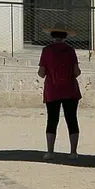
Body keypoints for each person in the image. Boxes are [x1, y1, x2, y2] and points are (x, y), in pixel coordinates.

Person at [37, 28, 82, 159]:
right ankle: (73, 152)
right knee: (72, 119)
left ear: (52, 36)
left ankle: (50, 152)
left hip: (52, 90)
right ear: (65, 36)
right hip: (70, 90)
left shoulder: (46, 51)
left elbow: (41, 73)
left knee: (52, 120)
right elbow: (76, 72)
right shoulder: (70, 50)